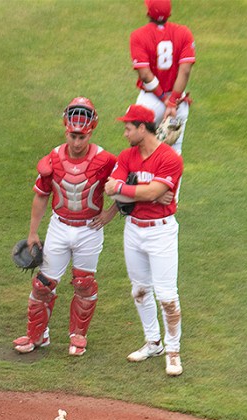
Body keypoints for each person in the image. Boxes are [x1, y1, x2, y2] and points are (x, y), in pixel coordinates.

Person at [12, 98, 118, 357]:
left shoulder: (105, 160)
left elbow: (122, 189)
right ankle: (37, 336)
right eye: (73, 135)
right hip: (59, 227)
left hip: (89, 229)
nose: (77, 142)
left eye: (82, 136)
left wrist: (109, 214)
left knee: (83, 283)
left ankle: (78, 335)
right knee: (42, 284)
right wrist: (33, 233)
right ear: (65, 130)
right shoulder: (53, 159)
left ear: (91, 132)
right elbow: (40, 195)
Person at [104, 104, 185, 376]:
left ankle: (173, 351)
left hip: (161, 232)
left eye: (128, 127)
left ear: (142, 128)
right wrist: (146, 192)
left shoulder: (170, 158)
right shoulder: (126, 156)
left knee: (166, 296)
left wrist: (130, 189)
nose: (125, 133)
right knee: (139, 290)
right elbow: (111, 190)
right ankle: (153, 343)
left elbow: (148, 191)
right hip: (134, 229)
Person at [130, 0, 196, 155]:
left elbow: (145, 74)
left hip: (150, 101)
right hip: (178, 102)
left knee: (141, 152)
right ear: (170, 13)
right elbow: (185, 70)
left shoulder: (139, 35)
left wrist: (163, 98)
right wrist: (172, 101)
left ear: (148, 13)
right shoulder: (184, 33)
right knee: (173, 153)